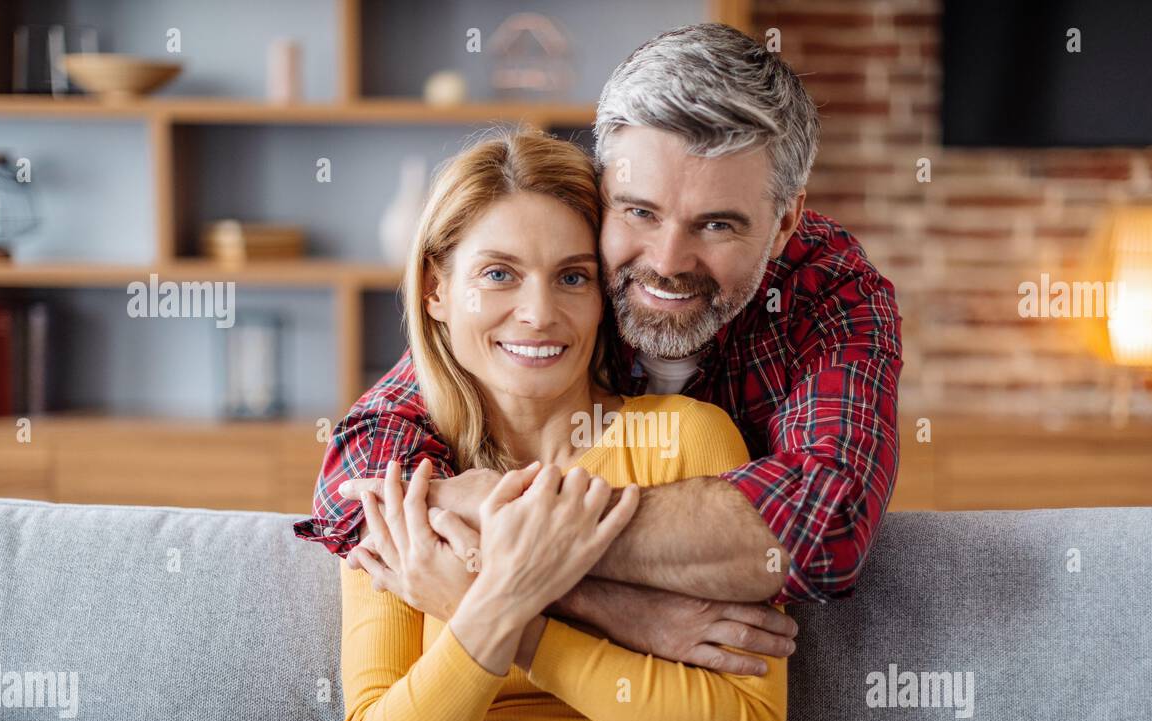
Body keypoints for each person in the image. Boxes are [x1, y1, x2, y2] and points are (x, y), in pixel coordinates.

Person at [297, 23, 902, 673]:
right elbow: (357, 489)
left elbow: (824, 522)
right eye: (640, 212)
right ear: (604, 186)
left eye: (717, 224)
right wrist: (615, 611)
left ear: (784, 221)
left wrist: (492, 513)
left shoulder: (830, 292)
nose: (666, 263)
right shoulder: (565, 255)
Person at [339, 128, 785, 721]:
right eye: (499, 274)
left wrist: (501, 612)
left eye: (572, 277)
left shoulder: (687, 440)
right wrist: (507, 601)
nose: (540, 313)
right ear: (435, 290)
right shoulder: (405, 486)